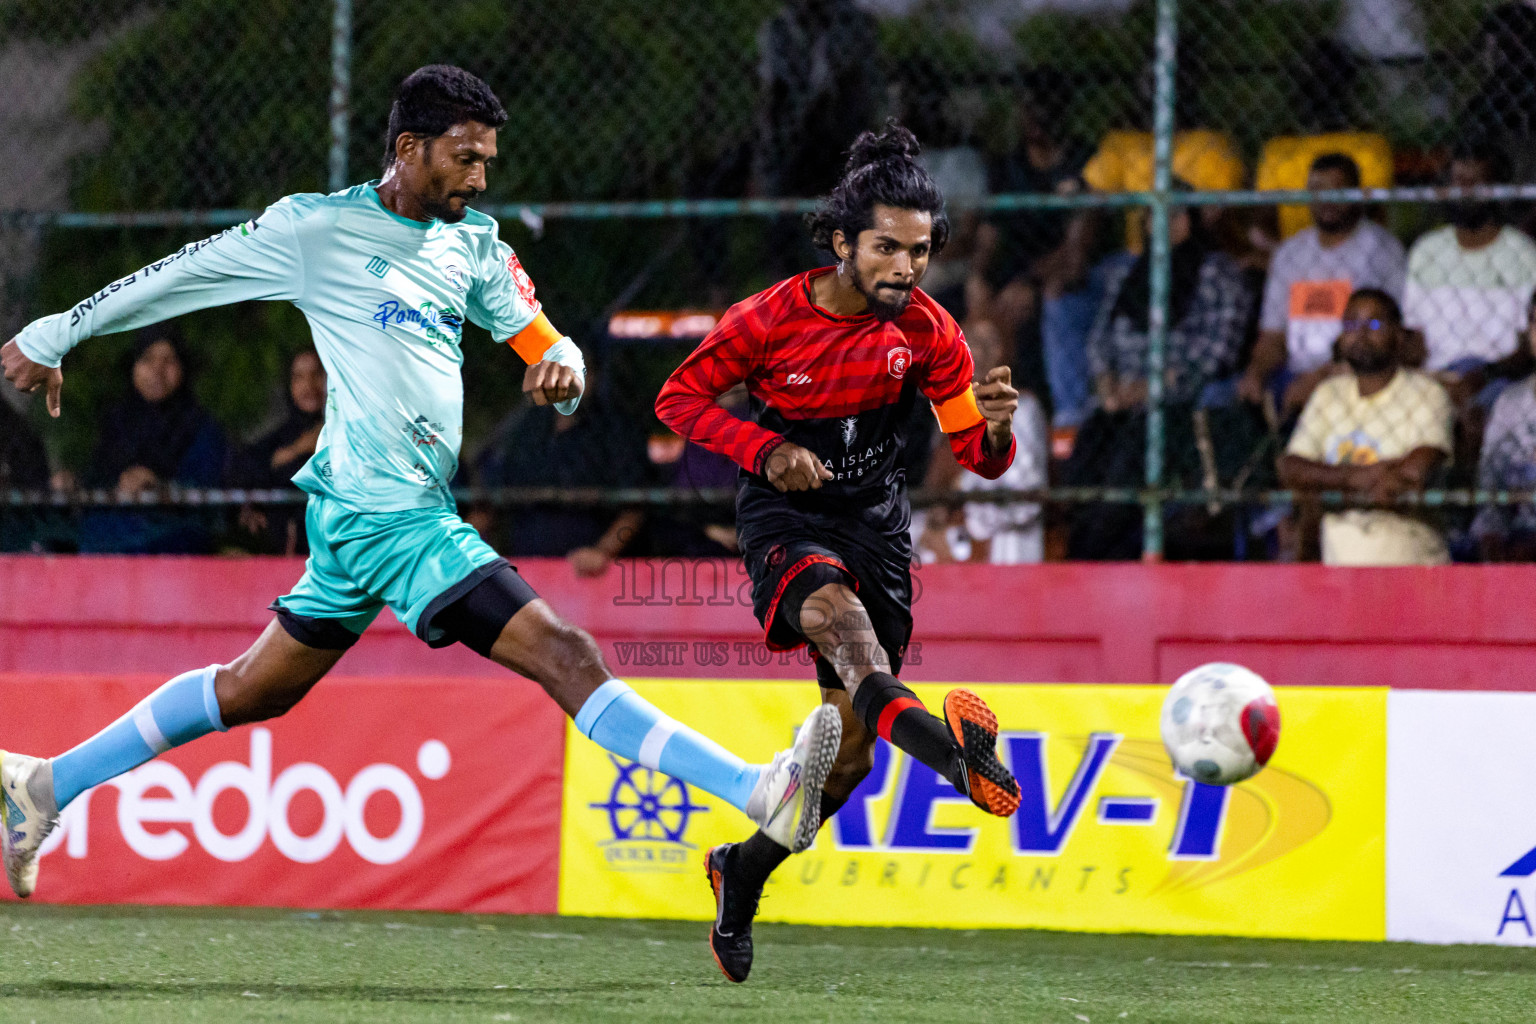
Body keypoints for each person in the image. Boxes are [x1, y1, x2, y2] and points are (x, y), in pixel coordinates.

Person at [0, 65, 839, 901]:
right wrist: (55, 331)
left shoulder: (474, 246)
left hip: (384, 514)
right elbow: (180, 275)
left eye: (488, 163)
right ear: (408, 149)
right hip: (384, 512)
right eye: (466, 158)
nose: (480, 178)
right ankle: (759, 791)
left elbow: (553, 347)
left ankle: (45, 785)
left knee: (254, 689)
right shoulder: (316, 229)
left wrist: (563, 371)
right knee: (564, 653)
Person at [656, 121, 1023, 982]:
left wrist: (996, 434)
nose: (907, 267)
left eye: (922, 251)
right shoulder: (768, 320)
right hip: (787, 515)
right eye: (888, 249)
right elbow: (679, 399)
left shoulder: (932, 333)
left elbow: (978, 459)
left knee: (850, 757)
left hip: (876, 524)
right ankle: (955, 762)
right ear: (841, 243)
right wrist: (762, 447)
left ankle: (739, 872)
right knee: (842, 626)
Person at [1280, 289, 1453, 565]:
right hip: (1339, 576)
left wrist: (1325, 488)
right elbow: (1292, 468)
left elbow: (1413, 472)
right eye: (1350, 324)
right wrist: (1359, 478)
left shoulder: (1426, 393)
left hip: (1412, 568)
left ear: (1398, 336)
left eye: (1374, 324)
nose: (1360, 334)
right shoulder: (1328, 393)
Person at [1240, 153, 1407, 414]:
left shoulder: (1382, 251)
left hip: (1354, 369)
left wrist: (1320, 377)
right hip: (1292, 370)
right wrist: (1256, 371)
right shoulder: (1290, 253)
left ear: (1358, 194)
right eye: (1317, 190)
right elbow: (1273, 335)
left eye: (1337, 190)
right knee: (1222, 397)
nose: (1326, 200)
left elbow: (1384, 337)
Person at [78, 322, 228, 554]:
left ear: (183, 369)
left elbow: (208, 492)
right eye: (147, 359)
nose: (157, 370)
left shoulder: (200, 427)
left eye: (168, 361)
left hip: (179, 540)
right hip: (112, 534)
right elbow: (95, 479)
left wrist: (158, 486)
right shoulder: (115, 423)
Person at [1402, 143, 1536, 399]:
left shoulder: (1524, 254)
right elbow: (1413, 336)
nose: (1464, 192)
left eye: (1476, 184)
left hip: (1498, 379)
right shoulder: (1427, 251)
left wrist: (1482, 376)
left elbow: (1527, 347)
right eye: (1458, 182)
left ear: (1499, 189)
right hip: (1436, 374)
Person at [230, 347, 327, 554]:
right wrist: (298, 449)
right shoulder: (279, 439)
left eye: (317, 374)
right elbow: (243, 473)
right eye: (298, 377)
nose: (308, 385)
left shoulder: (350, 435)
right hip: (285, 557)